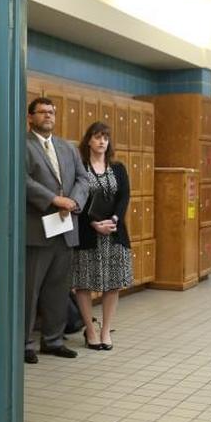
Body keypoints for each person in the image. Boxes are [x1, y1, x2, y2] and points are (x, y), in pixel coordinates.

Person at [24, 97, 86, 364]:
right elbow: (22, 180)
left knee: (58, 290)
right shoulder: (22, 145)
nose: (48, 115)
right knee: (30, 291)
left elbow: (83, 179)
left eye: (51, 112)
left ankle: (53, 340)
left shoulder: (68, 147)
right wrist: (53, 199)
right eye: (42, 112)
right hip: (37, 231)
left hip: (65, 228)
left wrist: (74, 201)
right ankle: (24, 344)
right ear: (30, 117)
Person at [72, 121, 131, 351]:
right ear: (89, 140)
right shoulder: (80, 168)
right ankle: (90, 329)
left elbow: (124, 197)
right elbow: (77, 197)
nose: (102, 141)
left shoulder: (118, 168)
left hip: (114, 234)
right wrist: (93, 223)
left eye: (105, 137)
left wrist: (114, 220)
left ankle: (106, 330)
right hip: (88, 233)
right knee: (84, 284)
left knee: (113, 283)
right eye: (97, 137)